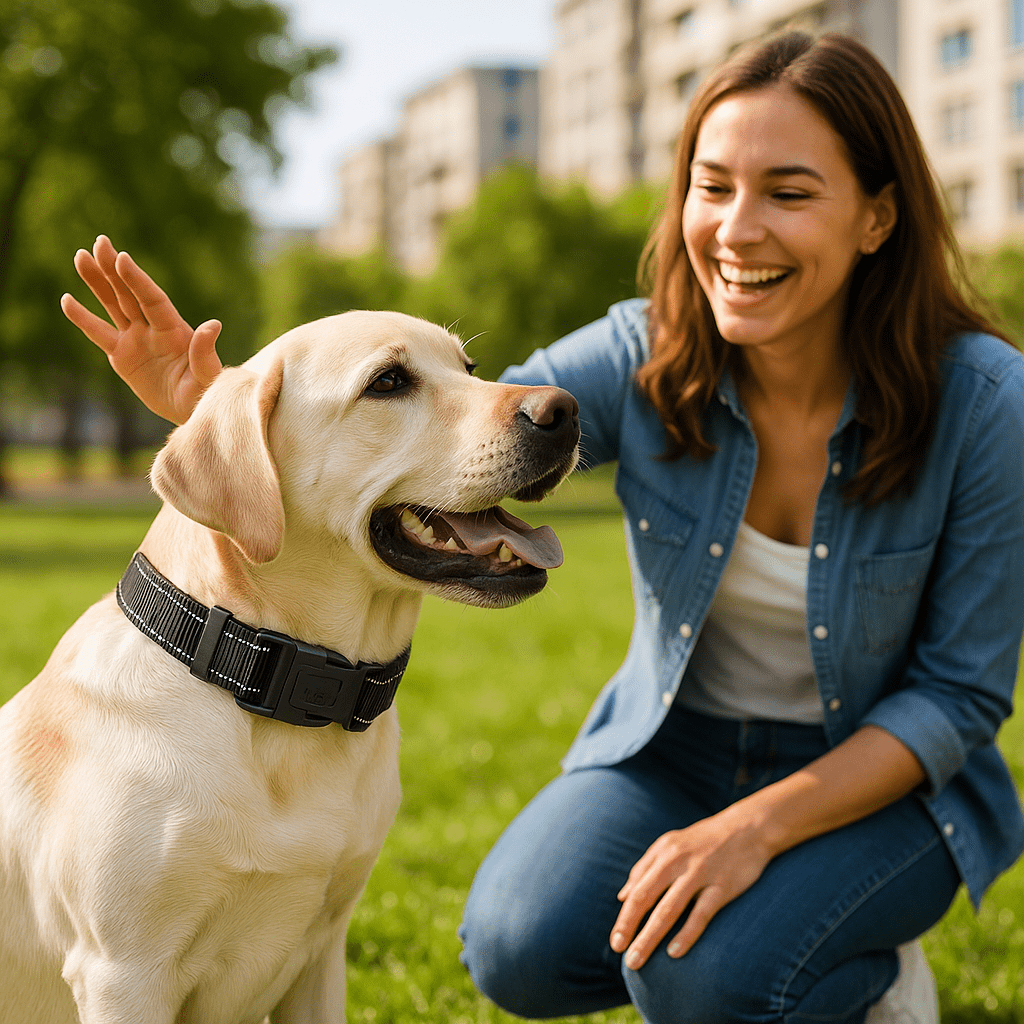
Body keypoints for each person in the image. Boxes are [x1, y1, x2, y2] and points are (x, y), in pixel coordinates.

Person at [62, 30, 1024, 1024]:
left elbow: (955, 699)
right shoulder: (648, 353)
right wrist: (225, 406)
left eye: (787, 193)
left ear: (875, 217)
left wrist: (753, 832)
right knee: (516, 942)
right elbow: (457, 433)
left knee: (702, 980)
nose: (737, 230)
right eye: (712, 187)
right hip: (679, 753)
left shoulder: (987, 403)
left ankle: (859, 958)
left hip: (887, 785)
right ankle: (777, 929)